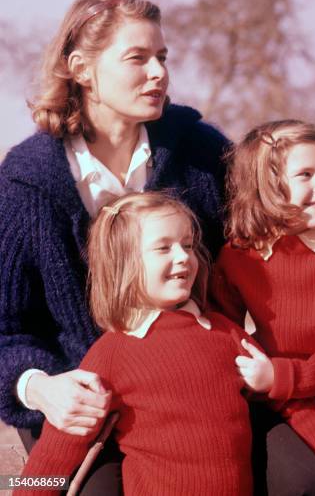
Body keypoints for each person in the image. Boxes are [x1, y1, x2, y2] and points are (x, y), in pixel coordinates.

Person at [0, 0, 229, 493]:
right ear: (81, 69)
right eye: (137, 58)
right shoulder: (24, 185)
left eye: (162, 57)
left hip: (193, 392)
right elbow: (5, 328)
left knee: (301, 478)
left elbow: (277, 221)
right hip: (82, 401)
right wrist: (39, 387)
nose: (159, 73)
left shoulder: (200, 153)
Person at [19, 192, 258, 495]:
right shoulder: (112, 353)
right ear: (124, 264)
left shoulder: (224, 332)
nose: (184, 256)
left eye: (187, 245)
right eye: (163, 248)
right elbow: (53, 456)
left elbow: (278, 387)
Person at [211, 120, 315, 495]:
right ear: (267, 185)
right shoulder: (237, 257)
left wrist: (279, 377)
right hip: (273, 401)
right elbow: (227, 343)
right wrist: (268, 377)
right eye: (306, 174)